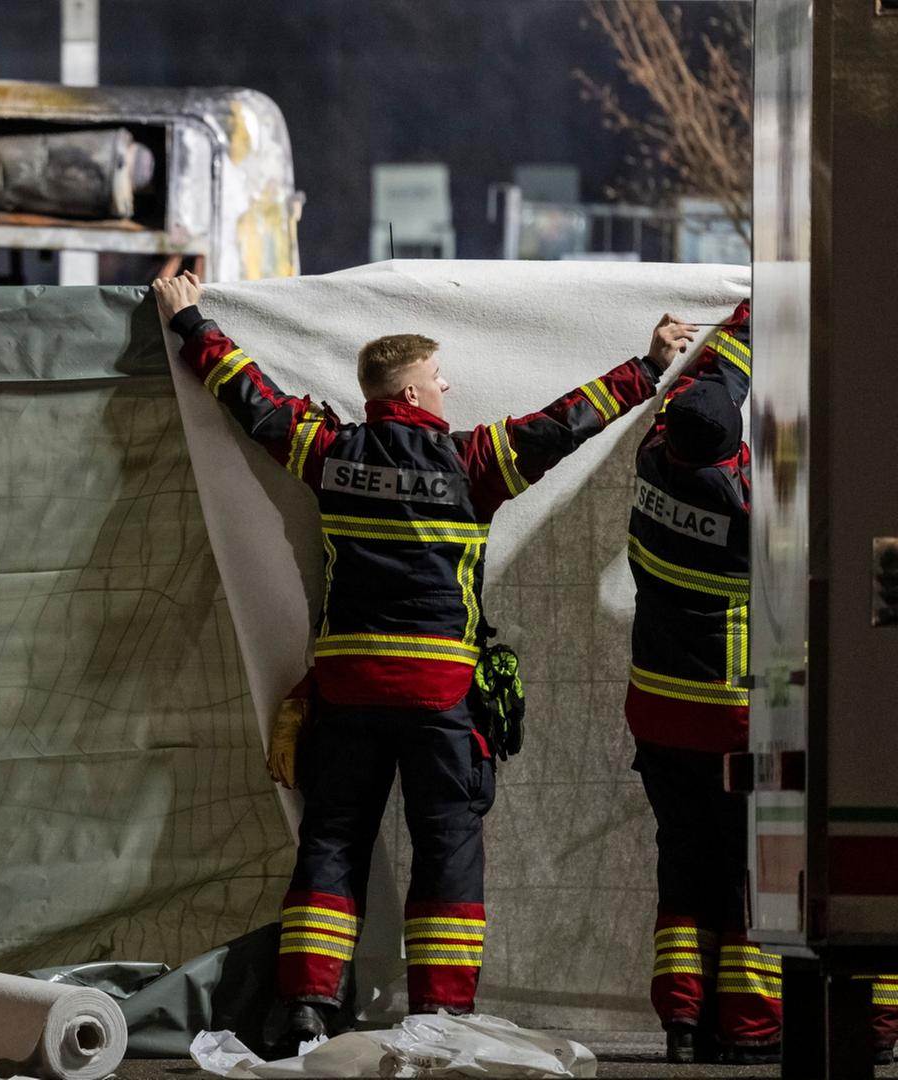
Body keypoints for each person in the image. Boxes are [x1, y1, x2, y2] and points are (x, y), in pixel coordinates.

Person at [149, 269, 697, 1047]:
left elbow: (251, 399)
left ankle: (306, 1002)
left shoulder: (326, 449)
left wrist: (191, 321)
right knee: (447, 848)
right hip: (440, 693)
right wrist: (647, 368)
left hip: (347, 688)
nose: (449, 386)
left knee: (332, 840)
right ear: (407, 395)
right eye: (437, 378)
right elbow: (566, 423)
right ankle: (440, 1013)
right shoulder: (473, 463)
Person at [622, 303, 898, 1065]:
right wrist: (769, 301)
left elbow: (707, 388)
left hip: (659, 715)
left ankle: (682, 1023)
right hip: (738, 721)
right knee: (758, 871)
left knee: (683, 868)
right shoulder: (759, 519)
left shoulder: (651, 463)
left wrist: (739, 330)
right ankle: (748, 1027)